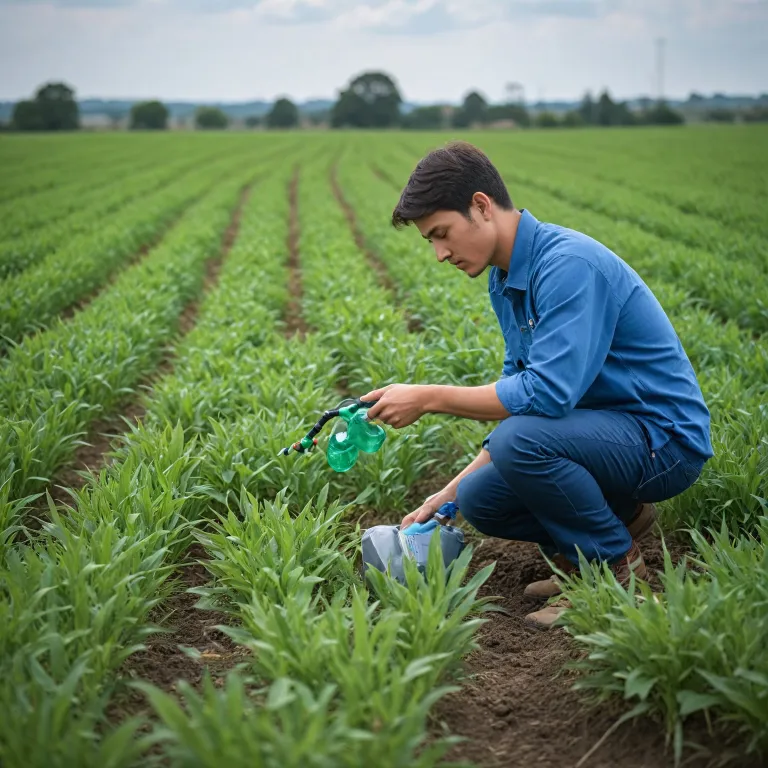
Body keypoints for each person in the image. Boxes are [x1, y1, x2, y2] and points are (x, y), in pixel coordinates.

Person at [361, 140, 713, 629]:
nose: (440, 253)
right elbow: (521, 398)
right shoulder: (505, 280)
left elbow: (545, 396)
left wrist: (428, 397)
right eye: (430, 242)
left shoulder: (568, 266)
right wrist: (445, 495)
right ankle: (607, 530)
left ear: (481, 206)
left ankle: (613, 569)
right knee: (481, 497)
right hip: (603, 435)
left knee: (519, 442)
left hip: (662, 442)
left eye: (442, 234)